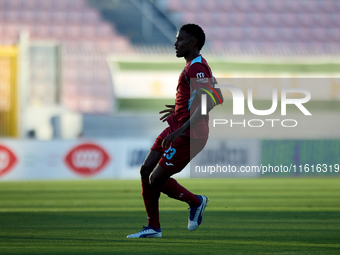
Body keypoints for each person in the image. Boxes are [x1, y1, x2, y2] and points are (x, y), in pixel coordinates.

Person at [127, 23, 221, 238]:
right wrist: (181, 107)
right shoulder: (194, 66)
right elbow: (217, 95)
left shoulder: (197, 67)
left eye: (180, 39)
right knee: (146, 170)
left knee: (156, 179)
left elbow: (211, 101)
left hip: (190, 134)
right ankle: (153, 228)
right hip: (178, 126)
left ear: (193, 42)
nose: (175, 43)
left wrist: (181, 130)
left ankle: (196, 202)